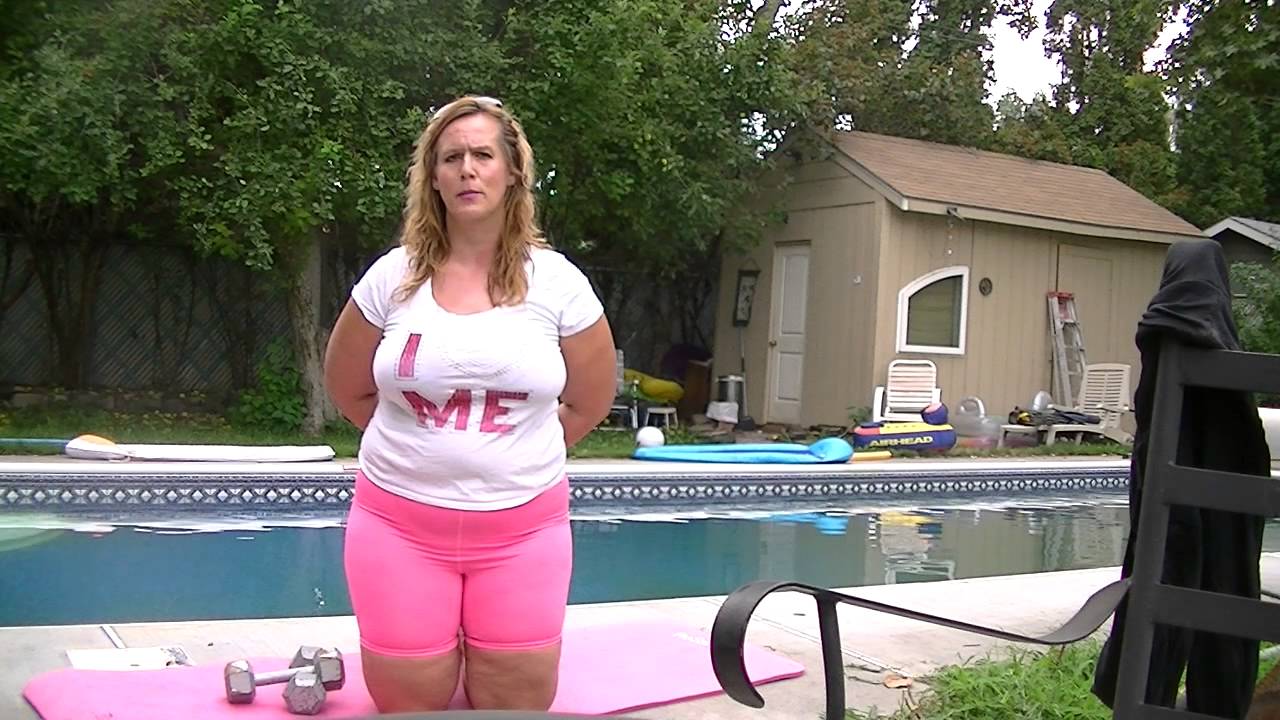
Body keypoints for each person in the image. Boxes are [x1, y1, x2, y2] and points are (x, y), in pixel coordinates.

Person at [323, 95, 617, 713]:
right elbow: (348, 388)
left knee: (515, 703)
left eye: (482, 155)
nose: (467, 169)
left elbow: (589, 401)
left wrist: (511, 449)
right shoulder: (391, 278)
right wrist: (425, 443)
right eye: (451, 157)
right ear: (432, 177)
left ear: (513, 172)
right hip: (398, 528)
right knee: (410, 703)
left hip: (523, 533)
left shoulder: (558, 283)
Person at [1090, 239, 1269, 718]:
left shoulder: (1157, 333)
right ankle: (1219, 702)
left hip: (1164, 502)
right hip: (1227, 506)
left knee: (1158, 571)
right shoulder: (1223, 342)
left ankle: (1144, 695)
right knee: (1229, 584)